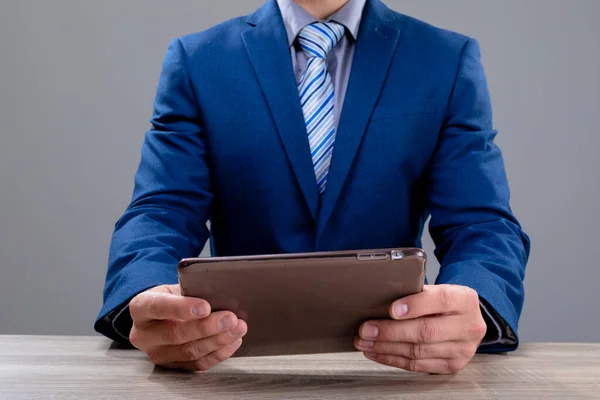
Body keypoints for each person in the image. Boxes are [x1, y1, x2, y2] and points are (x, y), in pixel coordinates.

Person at [96, 0, 530, 374]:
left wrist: (477, 306)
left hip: (392, 367)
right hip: (230, 364)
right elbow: (161, 212)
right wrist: (147, 298)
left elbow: (483, 223)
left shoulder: (444, 59)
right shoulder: (198, 60)